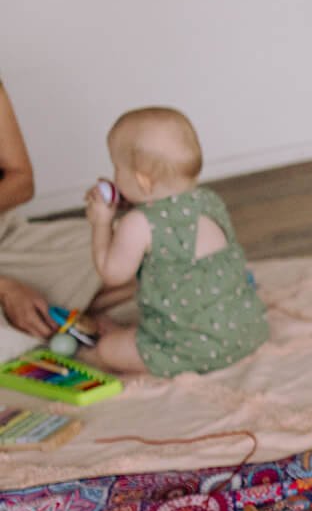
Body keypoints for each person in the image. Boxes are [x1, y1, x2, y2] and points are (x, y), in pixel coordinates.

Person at [78, 106, 267, 376]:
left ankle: (161, 351)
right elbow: (170, 223)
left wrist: (101, 223)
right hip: (247, 330)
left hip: (192, 348)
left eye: (116, 168)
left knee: (107, 348)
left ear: (143, 181)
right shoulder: (208, 200)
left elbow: (112, 272)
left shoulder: (138, 224)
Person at [0, 79, 132, 361]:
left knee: (140, 246)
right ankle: (54, 313)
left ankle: (48, 316)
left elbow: (21, 180)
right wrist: (6, 287)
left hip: (9, 241)